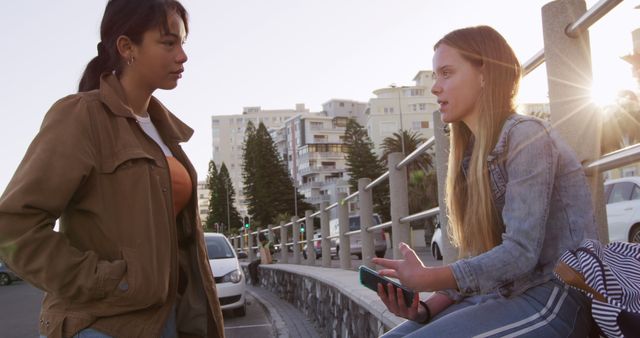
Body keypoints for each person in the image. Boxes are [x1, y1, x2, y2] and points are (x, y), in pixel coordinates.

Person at [0, 1, 224, 337]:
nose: (182, 56)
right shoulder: (81, 117)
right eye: (168, 43)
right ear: (126, 47)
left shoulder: (163, 132)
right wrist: (108, 282)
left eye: (182, 43)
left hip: (166, 319)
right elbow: (13, 226)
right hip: (101, 326)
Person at [372, 25, 598, 337]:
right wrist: (425, 307)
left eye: (446, 73)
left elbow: (521, 252)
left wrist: (431, 277)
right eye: (435, 76)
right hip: (504, 294)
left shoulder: (526, 135)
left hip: (556, 294)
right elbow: (478, 260)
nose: (435, 87)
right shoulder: (471, 155)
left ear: (484, 74)